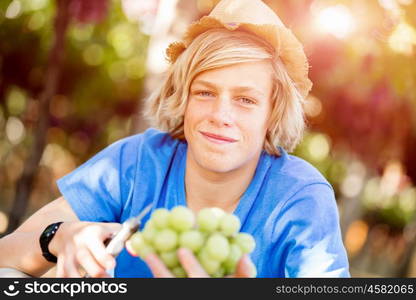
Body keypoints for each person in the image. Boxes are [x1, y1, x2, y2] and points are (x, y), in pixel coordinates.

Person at [0, 0, 350, 278]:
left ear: (272, 114)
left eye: (245, 100)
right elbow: (7, 253)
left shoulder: (301, 195)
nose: (220, 115)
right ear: (183, 99)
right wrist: (58, 237)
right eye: (204, 93)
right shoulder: (138, 161)